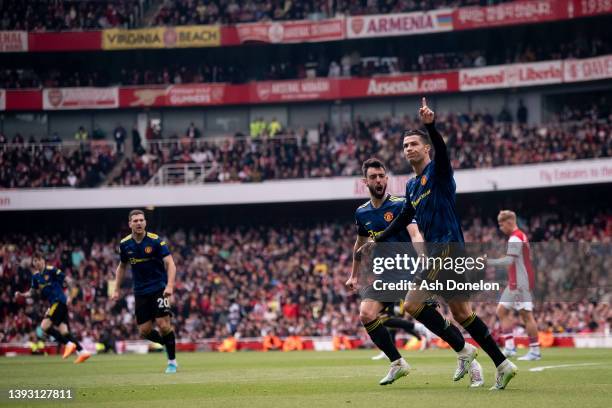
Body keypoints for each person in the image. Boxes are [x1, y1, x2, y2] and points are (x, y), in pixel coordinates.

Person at [368, 98, 517, 390]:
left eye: (414, 144)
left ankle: (463, 352)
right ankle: (502, 363)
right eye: (405, 145)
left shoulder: (438, 172)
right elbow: (403, 219)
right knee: (463, 314)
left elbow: (444, 150)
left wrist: (431, 127)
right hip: (443, 253)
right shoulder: (411, 186)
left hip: (447, 249)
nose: (408, 148)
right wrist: (379, 238)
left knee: (412, 304)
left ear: (426, 148)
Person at [112, 209, 178, 373]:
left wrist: (169, 285)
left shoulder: (156, 241)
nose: (139, 223)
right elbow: (122, 267)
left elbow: (170, 263)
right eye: (135, 221)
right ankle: (168, 343)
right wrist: (116, 289)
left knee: (163, 325)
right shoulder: (125, 244)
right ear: (130, 224)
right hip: (140, 291)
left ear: (145, 222)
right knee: (145, 331)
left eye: (141, 220)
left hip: (159, 288)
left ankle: (172, 362)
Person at [14, 252, 91, 364]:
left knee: (44, 326)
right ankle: (83, 351)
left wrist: (69, 295)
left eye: (38, 260)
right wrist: (21, 294)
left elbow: (67, 280)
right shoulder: (35, 277)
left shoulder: (51, 270)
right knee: (64, 332)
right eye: (34, 261)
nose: (36, 263)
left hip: (58, 301)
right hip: (56, 304)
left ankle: (69, 344)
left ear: (43, 260)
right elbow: (31, 292)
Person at [488, 210, 541, 361]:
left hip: (520, 283)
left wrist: (489, 262)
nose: (500, 227)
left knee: (526, 315)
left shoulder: (516, 238)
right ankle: (510, 347)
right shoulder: (516, 237)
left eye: (501, 224)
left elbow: (509, 261)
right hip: (514, 282)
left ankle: (535, 351)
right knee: (501, 311)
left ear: (510, 222)